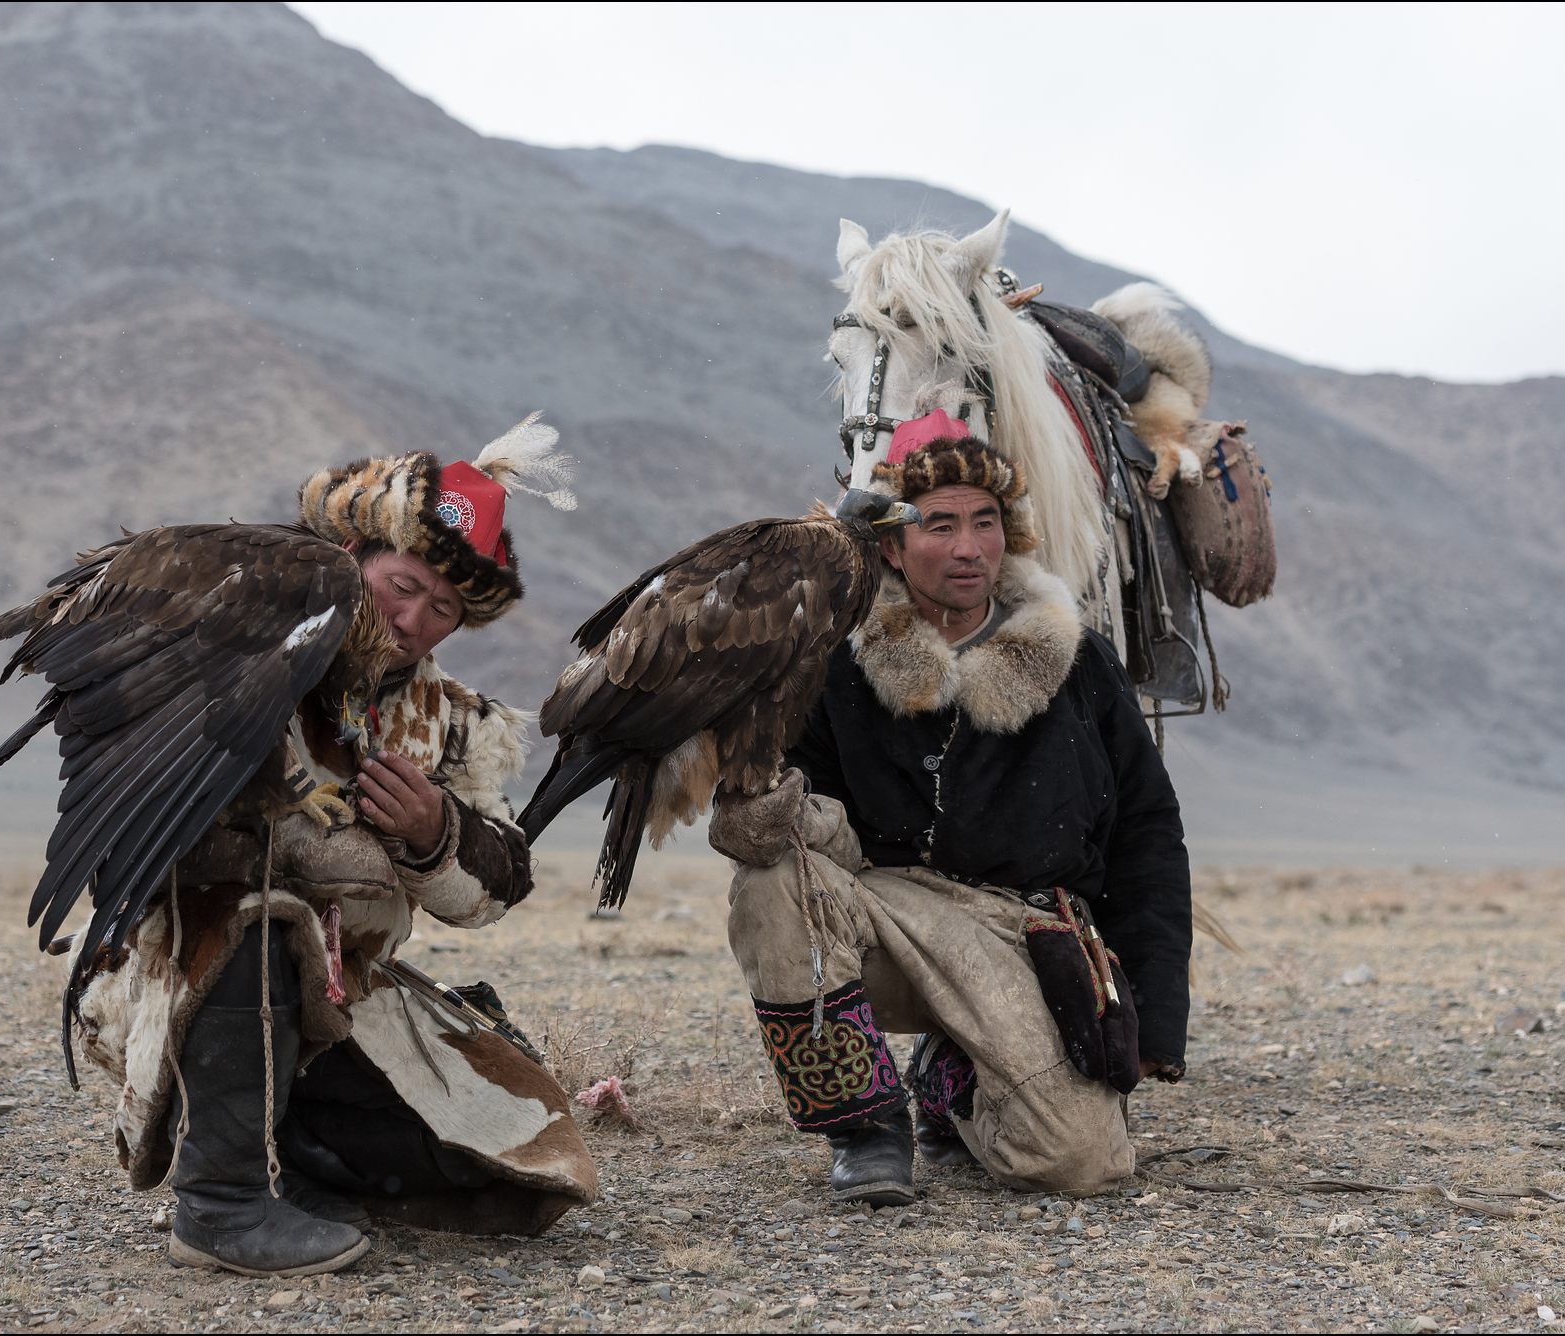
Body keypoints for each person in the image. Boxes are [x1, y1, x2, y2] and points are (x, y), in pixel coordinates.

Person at [67, 421, 596, 1276]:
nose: (412, 619)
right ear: (352, 558)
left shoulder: (451, 721)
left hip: (343, 1003)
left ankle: (283, 1165)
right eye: (400, 585)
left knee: (506, 1156)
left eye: (443, 608)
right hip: (186, 973)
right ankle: (222, 1202)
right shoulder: (237, 652)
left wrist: (435, 833)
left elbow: (497, 891)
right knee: (262, 918)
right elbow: (147, 817)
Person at [708, 419, 1192, 1205]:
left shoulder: (1081, 662)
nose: (969, 547)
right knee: (771, 883)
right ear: (892, 547)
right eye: (939, 524)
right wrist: (760, 811)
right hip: (884, 919)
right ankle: (863, 1126)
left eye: (985, 522)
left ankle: (947, 1081)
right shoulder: (831, 661)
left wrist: (1153, 1016)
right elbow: (794, 799)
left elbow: (1147, 834)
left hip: (1026, 933)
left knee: (1077, 1165)